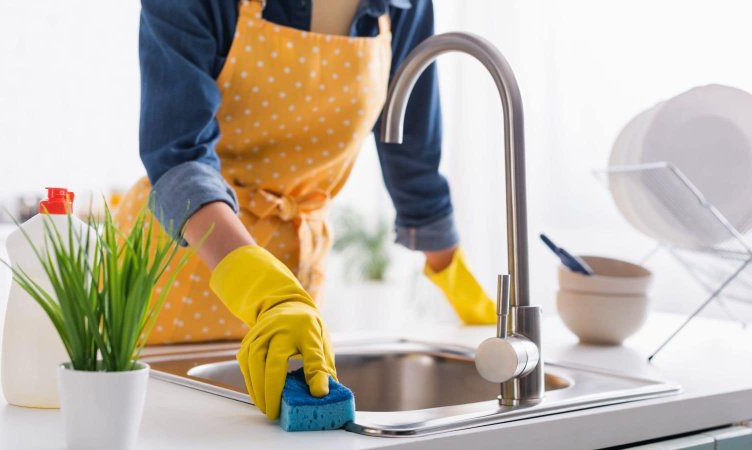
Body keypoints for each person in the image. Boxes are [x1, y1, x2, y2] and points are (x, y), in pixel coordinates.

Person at [114, 0, 496, 421]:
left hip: (295, 287)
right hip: (172, 277)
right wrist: (262, 289)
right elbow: (179, 156)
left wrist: (460, 288)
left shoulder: (402, 6)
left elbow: (412, 157)